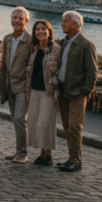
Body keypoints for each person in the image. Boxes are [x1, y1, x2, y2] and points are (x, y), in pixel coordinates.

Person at [51, 10, 98, 173]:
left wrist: (85, 91)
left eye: (65, 22)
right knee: (66, 127)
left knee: (74, 127)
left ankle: (75, 161)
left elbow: (92, 71)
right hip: (63, 91)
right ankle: (72, 158)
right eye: (62, 21)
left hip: (77, 93)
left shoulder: (86, 45)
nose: (62, 24)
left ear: (75, 25)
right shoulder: (63, 43)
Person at [0, 6, 33, 163]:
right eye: (14, 17)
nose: (17, 21)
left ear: (26, 21)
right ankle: (19, 151)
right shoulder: (7, 39)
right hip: (9, 85)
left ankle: (23, 153)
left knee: (20, 118)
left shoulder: (31, 40)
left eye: (20, 18)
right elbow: (5, 65)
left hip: (23, 86)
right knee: (15, 118)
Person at [26, 20, 61, 166]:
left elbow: (60, 71)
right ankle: (42, 153)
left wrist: (55, 86)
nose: (40, 32)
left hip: (48, 91)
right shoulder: (34, 49)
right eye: (37, 29)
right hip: (34, 90)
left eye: (43, 29)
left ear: (49, 31)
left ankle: (48, 155)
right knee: (34, 122)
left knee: (45, 123)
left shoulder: (56, 49)